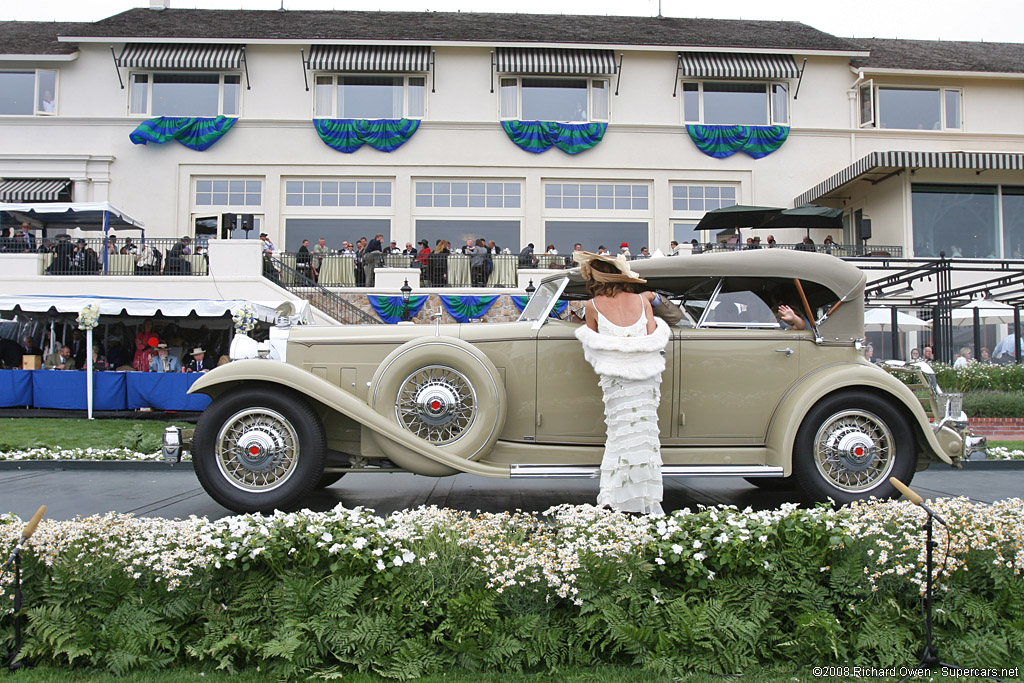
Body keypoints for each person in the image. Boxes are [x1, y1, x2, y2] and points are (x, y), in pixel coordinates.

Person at [573, 251, 669, 516]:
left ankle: (614, 498)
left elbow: (594, 343)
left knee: (619, 436)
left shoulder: (592, 306)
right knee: (645, 436)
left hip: (616, 379)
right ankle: (645, 500)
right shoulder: (642, 300)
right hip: (645, 377)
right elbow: (652, 339)